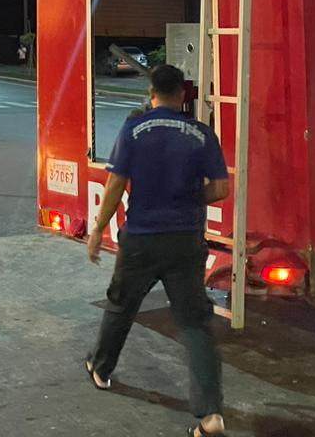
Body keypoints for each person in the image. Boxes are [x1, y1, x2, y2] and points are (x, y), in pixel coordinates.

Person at [85, 64, 230, 437]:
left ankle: (101, 368)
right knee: (195, 324)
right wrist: (189, 198)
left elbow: (115, 183)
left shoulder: (134, 129)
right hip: (186, 242)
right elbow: (220, 189)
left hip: (142, 239)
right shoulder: (201, 134)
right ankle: (210, 414)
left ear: (150, 93)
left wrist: (98, 230)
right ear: (182, 94)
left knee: (121, 305)